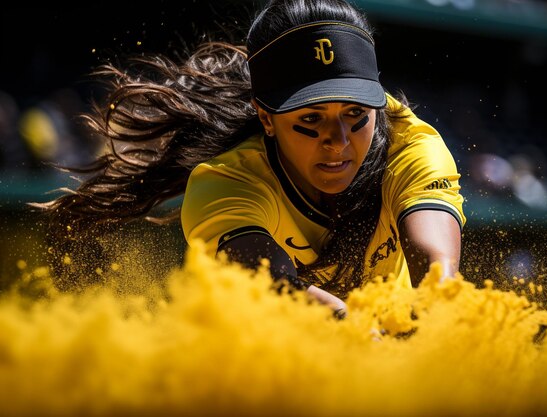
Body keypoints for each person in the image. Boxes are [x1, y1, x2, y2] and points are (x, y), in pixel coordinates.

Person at [34, 0, 465, 316]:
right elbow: (276, 288)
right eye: (311, 119)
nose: (338, 142)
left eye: (356, 114)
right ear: (266, 117)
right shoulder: (226, 181)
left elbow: (437, 273)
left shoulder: (412, 146)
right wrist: (360, 335)